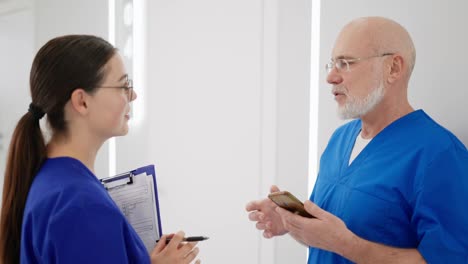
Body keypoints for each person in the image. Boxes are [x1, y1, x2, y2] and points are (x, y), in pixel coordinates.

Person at [246, 16, 468, 263]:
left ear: (393, 68)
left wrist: (345, 244)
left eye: (345, 63)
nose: (331, 77)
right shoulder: (340, 139)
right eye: (331, 64)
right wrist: (292, 224)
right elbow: (326, 235)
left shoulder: (439, 154)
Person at [0, 35, 201, 264]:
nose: (132, 95)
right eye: (123, 86)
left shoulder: (50, 179)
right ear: (82, 101)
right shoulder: (81, 204)